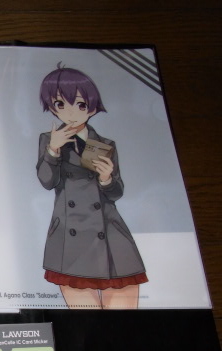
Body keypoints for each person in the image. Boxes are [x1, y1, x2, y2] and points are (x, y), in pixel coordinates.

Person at [37, 64, 147, 309]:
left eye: (80, 104)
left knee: (126, 322)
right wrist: (53, 150)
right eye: (61, 104)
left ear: (93, 107)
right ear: (52, 108)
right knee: (87, 322)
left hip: (110, 235)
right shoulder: (49, 140)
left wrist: (107, 178)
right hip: (70, 237)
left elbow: (116, 193)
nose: (71, 113)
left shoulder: (105, 144)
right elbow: (47, 181)